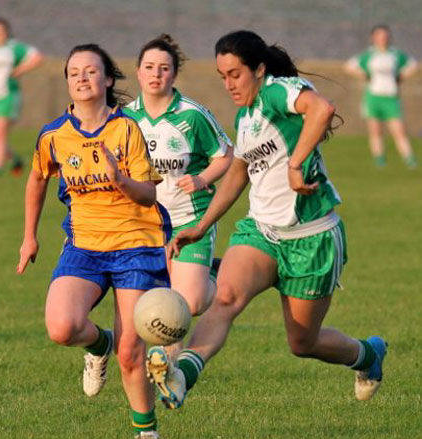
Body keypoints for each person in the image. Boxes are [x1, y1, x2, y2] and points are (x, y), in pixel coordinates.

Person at [145, 30, 388, 412]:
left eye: (235, 74)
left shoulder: (278, 91)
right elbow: (237, 175)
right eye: (223, 76)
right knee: (224, 298)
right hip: (261, 232)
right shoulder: (245, 117)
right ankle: (181, 376)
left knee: (302, 343)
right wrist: (202, 225)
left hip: (312, 238)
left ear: (259, 70)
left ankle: (368, 356)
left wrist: (295, 165)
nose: (229, 84)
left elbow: (321, 109)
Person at [17, 43, 171, 439]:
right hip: (84, 246)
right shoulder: (53, 135)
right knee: (62, 328)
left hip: (137, 245)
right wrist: (29, 237)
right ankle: (98, 343)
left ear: (107, 79)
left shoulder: (127, 129)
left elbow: (149, 196)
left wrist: (120, 179)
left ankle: (146, 435)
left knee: (131, 354)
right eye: (74, 73)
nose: (82, 79)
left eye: (90, 72)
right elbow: (36, 178)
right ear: (68, 82)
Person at [124, 35, 232, 323]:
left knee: (191, 302)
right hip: (145, 223)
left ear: (174, 73)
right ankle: (164, 365)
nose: (155, 74)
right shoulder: (124, 119)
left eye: (163, 68)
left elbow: (225, 155)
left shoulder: (193, 115)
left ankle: (214, 272)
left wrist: (202, 178)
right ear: (138, 71)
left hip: (189, 217)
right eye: (148, 67)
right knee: (161, 300)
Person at [0, 17, 44, 175]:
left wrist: (19, 70)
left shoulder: (14, 48)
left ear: (6, 32)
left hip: (8, 95)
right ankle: (15, 159)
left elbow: (37, 58)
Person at [345, 24, 417, 168]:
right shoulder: (369, 55)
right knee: (375, 130)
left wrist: (401, 76)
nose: (383, 38)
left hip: (391, 97)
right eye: (379, 36)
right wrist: (364, 75)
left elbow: (413, 65)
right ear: (373, 38)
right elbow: (349, 66)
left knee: (398, 130)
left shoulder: (395, 54)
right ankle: (379, 160)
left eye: (385, 36)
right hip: (373, 96)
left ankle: (410, 159)